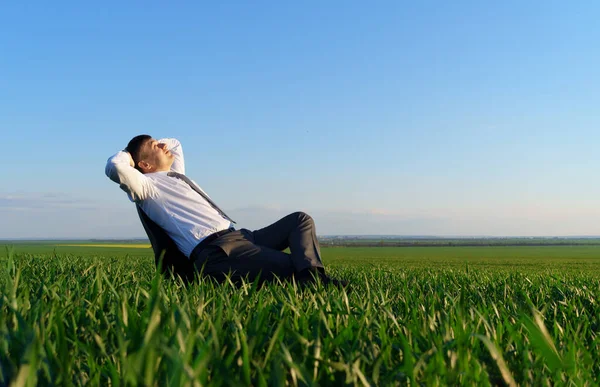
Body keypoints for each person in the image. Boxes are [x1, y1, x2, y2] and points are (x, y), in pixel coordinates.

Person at [105, 135, 346, 287]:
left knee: (300, 220)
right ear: (145, 165)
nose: (162, 145)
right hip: (217, 252)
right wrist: (130, 152)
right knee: (292, 266)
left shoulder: (175, 175)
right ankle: (312, 281)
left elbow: (176, 143)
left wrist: (150, 144)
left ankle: (311, 278)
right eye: (155, 146)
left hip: (241, 236)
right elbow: (115, 167)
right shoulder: (146, 187)